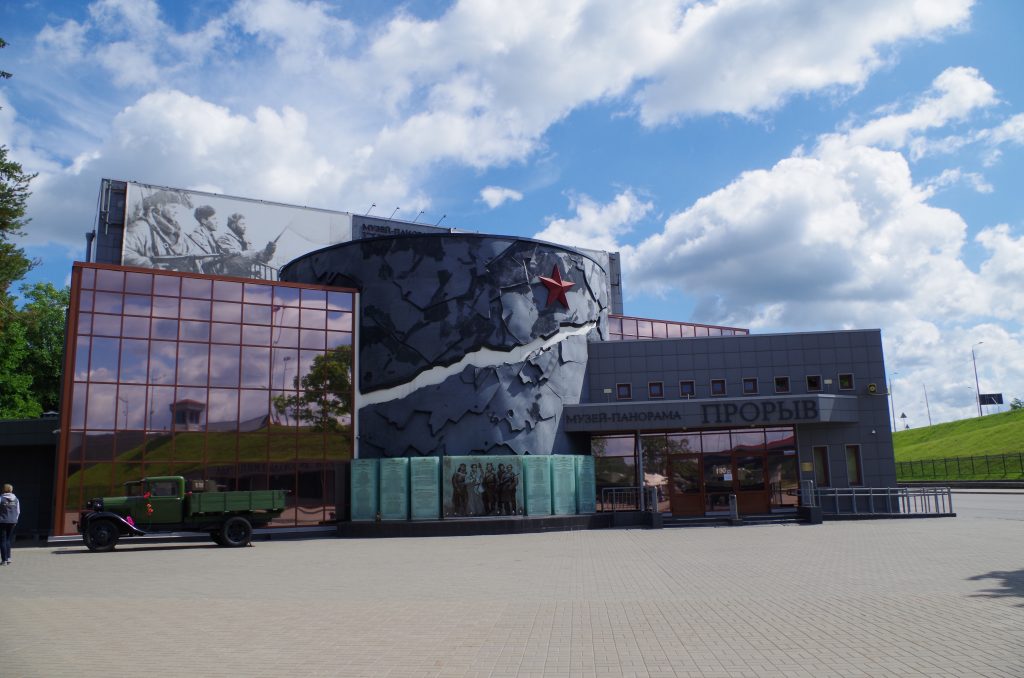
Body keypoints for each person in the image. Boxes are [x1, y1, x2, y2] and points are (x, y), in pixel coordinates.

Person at [122, 203, 197, 271]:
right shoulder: (140, 227)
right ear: (160, 206)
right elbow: (124, 252)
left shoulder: (178, 230)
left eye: (178, 208)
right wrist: (151, 266)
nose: (177, 211)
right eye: (173, 207)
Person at [217, 213, 277, 278]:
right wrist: (255, 254)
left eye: (245, 224)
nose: (245, 226)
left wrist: (268, 251)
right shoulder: (223, 239)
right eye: (242, 224)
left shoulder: (245, 239)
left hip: (243, 277)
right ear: (233, 225)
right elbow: (233, 259)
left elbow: (258, 257)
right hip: (229, 277)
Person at [186, 205, 224, 274]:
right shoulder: (196, 237)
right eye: (214, 219)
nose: (217, 221)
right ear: (204, 221)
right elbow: (202, 262)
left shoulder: (210, 235)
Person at [0, 483, 19, 565]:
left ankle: (4, 560)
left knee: (2, 541)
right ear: (11, 490)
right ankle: (8, 558)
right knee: (8, 540)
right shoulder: (16, 499)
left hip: (2, 521)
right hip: (12, 521)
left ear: (4, 489)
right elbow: (18, 511)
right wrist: (15, 520)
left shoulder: (1, 498)